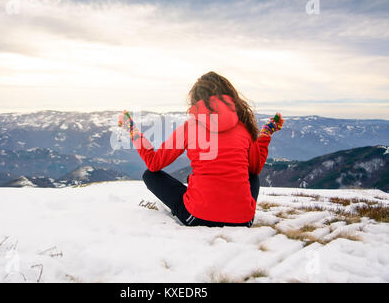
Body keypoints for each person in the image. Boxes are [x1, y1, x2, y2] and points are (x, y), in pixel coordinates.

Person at [118, 72, 284, 227]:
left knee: (150, 175)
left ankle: (203, 205)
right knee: (252, 177)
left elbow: (154, 163)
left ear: (196, 100)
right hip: (243, 221)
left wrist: (132, 129)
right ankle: (237, 211)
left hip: (197, 217)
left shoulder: (190, 127)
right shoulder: (243, 129)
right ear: (230, 97)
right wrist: (265, 134)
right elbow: (254, 169)